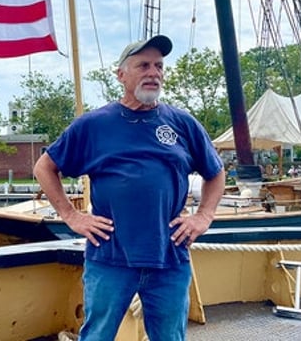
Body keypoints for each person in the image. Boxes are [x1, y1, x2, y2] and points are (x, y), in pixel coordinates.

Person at [34, 35, 225, 341]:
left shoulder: (182, 123)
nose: (154, 73)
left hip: (170, 257)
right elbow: (44, 167)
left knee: (170, 337)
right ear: (121, 75)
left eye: (159, 66)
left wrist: (203, 216)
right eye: (144, 65)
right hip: (111, 257)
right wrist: (71, 216)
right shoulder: (93, 125)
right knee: (97, 335)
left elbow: (215, 173)